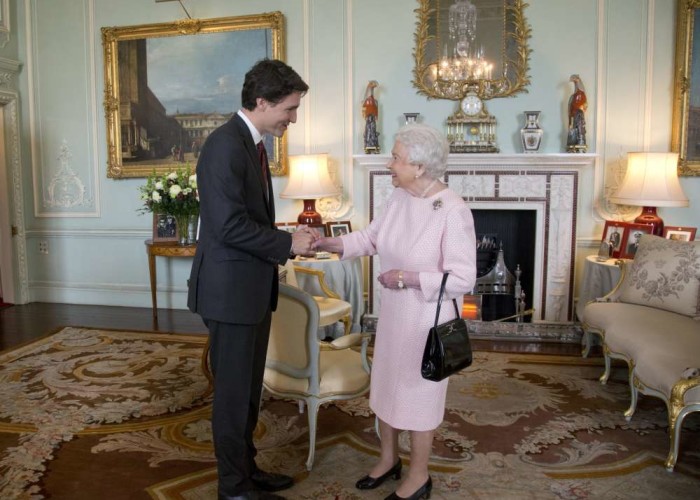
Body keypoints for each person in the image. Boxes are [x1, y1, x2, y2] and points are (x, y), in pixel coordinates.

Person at [312, 124, 477, 500]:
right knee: (386, 387)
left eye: (396, 158)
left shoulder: (452, 210)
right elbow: (372, 238)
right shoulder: (400, 197)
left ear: (418, 166)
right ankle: (388, 460)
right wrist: (330, 242)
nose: (390, 164)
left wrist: (407, 277)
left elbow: (463, 276)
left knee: (419, 395)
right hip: (394, 316)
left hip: (426, 321)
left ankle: (419, 475)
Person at [187, 59, 315, 500]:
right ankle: (234, 489)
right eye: (290, 108)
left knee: (246, 395)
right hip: (230, 295)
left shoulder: (250, 142)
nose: (293, 118)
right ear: (262, 102)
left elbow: (244, 220)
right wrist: (288, 245)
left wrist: (285, 239)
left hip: (249, 292)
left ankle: (247, 470)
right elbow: (227, 227)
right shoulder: (224, 146)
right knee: (232, 397)